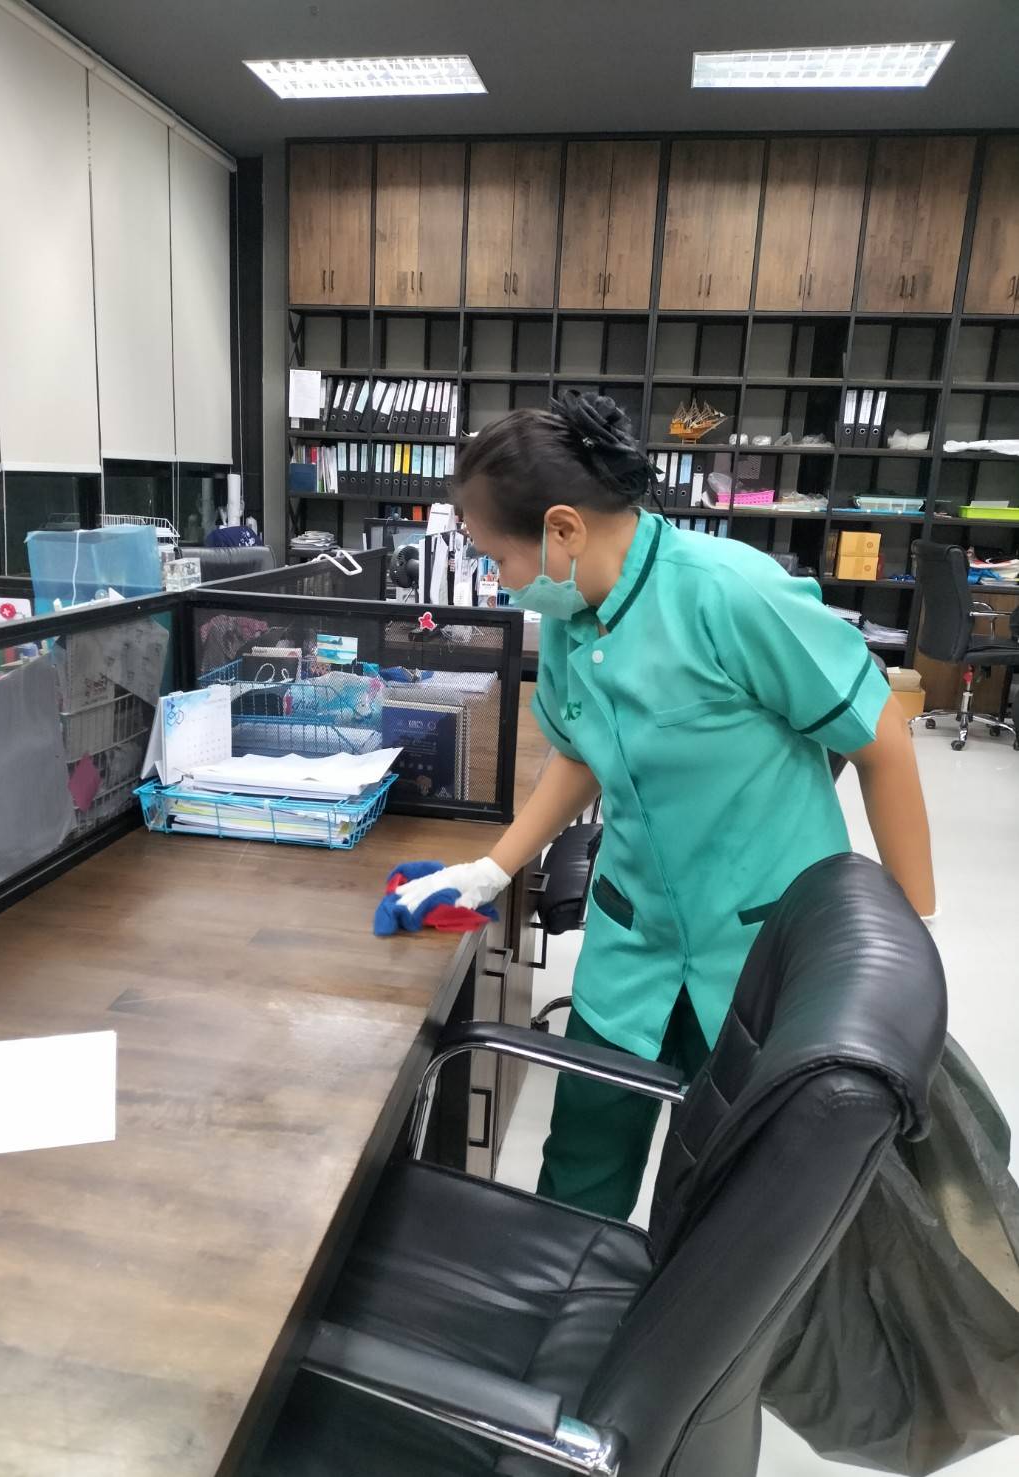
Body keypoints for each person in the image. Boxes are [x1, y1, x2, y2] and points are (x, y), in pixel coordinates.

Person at [392, 391, 936, 1220]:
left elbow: (881, 738)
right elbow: (581, 752)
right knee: (578, 1173)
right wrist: (491, 869)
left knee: (724, 1200)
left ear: (563, 530)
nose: (499, 581)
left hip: (758, 950)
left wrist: (906, 946)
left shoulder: (729, 593)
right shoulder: (573, 614)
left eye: (498, 558)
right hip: (632, 940)